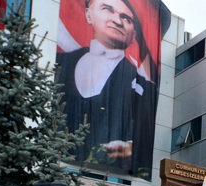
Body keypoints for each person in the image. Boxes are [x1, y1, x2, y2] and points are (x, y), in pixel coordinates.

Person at [56, 0, 158, 173]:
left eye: (126, 18)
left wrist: (130, 148)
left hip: (108, 177)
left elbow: (147, 140)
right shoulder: (60, 64)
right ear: (88, 14)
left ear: (134, 34)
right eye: (108, 9)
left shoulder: (143, 89)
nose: (117, 21)